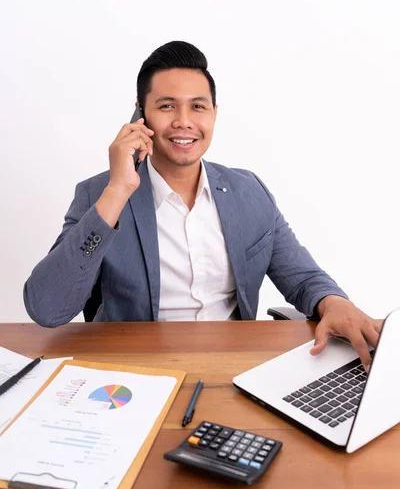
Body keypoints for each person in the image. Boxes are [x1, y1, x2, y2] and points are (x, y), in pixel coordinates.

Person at [24, 41, 382, 370]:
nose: (184, 121)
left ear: (213, 113)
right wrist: (119, 190)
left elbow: (303, 278)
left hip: (232, 367)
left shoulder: (248, 190)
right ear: (140, 117)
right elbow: (48, 308)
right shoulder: (100, 194)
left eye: (198, 106)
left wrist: (335, 303)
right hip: (135, 370)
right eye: (167, 106)